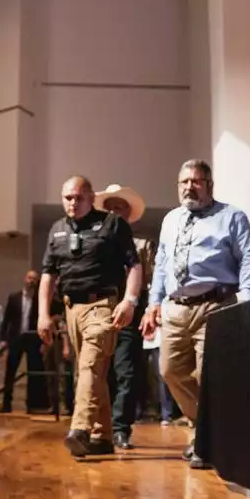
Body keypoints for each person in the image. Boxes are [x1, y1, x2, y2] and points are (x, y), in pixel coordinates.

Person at [140, 160, 250, 469]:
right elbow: (163, 263)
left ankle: (205, 441)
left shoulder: (231, 217)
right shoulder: (170, 220)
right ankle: (208, 430)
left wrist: (248, 297)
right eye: (183, 182)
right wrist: (154, 302)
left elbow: (249, 253)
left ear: (209, 185)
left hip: (215, 307)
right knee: (170, 371)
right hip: (175, 309)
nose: (189, 187)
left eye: (196, 181)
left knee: (210, 376)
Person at [38, 176, 142, 458]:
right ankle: (103, 435)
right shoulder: (56, 229)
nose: (72, 203)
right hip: (71, 310)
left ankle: (80, 428)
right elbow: (48, 275)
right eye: (67, 198)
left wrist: (129, 301)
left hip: (102, 307)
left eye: (78, 197)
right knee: (92, 373)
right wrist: (43, 315)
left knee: (90, 366)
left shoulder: (113, 224)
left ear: (90, 197)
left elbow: (134, 265)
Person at [94, 183, 154, 450]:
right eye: (110, 208)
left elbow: (151, 282)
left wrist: (149, 311)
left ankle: (121, 428)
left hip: (131, 312)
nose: (115, 212)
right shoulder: (96, 243)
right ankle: (100, 427)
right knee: (98, 371)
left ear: (128, 213)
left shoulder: (142, 245)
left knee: (127, 372)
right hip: (99, 310)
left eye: (120, 207)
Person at [0, 271, 45, 413]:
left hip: (32, 339)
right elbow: (6, 320)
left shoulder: (39, 300)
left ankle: (32, 405)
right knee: (10, 371)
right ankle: (6, 404)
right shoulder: (14, 298)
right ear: (24, 279)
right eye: (30, 278)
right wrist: (3, 339)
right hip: (16, 338)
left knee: (34, 372)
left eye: (34, 279)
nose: (31, 281)